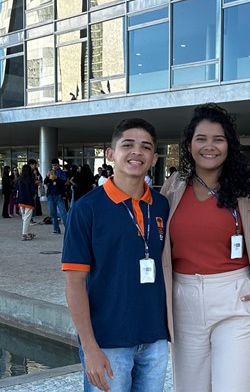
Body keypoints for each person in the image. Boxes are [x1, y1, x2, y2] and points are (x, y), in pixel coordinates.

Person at [160, 103, 250, 390]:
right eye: (201, 139)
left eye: (218, 139)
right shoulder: (174, 187)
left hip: (237, 300)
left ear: (229, 144)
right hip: (183, 302)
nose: (210, 146)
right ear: (189, 144)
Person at [62, 118, 170, 392]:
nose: (137, 152)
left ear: (154, 158)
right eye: (128, 145)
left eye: (146, 147)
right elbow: (75, 282)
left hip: (155, 339)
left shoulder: (161, 205)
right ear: (111, 154)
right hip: (107, 342)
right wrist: (89, 348)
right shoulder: (87, 209)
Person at [45, 159, 68, 234]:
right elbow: (45, 182)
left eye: (55, 165)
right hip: (51, 194)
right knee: (52, 213)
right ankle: (56, 229)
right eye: (52, 165)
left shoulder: (62, 173)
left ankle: (68, 229)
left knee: (63, 213)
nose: (54, 167)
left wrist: (56, 178)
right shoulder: (50, 171)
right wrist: (47, 176)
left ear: (58, 165)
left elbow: (63, 182)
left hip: (59, 194)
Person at [17, 164, 37, 241]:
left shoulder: (20, 179)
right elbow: (32, 190)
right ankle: (24, 234)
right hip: (28, 200)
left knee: (24, 217)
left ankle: (27, 232)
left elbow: (17, 189)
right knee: (27, 218)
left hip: (21, 200)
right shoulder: (30, 179)